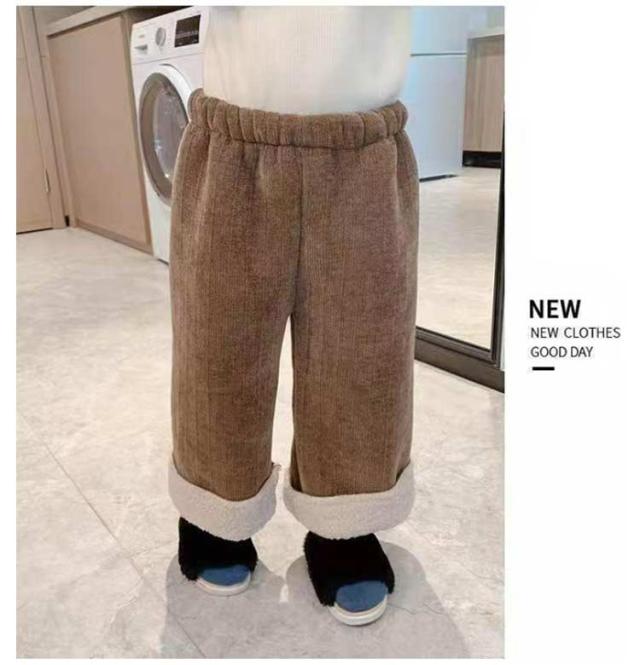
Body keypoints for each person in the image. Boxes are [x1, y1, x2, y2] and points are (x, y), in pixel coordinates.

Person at [168, 6, 418, 626]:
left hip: (363, 150)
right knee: (219, 344)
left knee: (363, 351)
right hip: (235, 143)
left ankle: (346, 527)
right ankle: (214, 513)